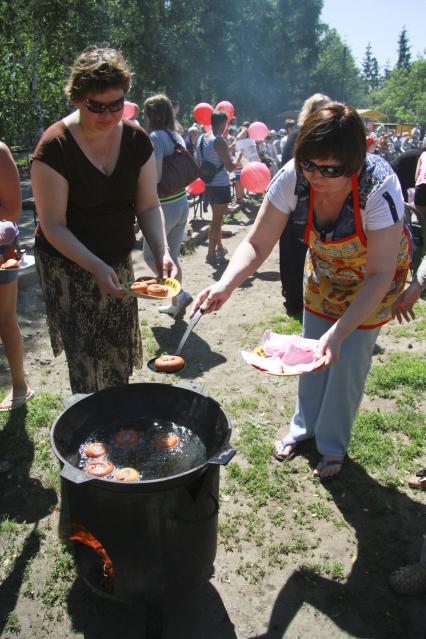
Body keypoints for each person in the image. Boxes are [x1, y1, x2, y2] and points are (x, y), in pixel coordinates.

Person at [190, 102, 410, 479]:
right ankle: (303, 427)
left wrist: (339, 333)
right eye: (310, 164)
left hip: (371, 282)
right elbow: (257, 243)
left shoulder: (379, 188)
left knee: (345, 362)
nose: (317, 176)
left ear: (354, 163)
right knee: (308, 356)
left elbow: (379, 273)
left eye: (331, 170)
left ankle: (332, 445)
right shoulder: (294, 176)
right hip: (324, 274)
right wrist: (226, 283)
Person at [31, 46, 175, 394]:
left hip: (116, 257)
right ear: (78, 98)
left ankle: (117, 418)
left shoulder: (138, 140)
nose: (109, 115)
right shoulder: (55, 147)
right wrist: (95, 265)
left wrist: (162, 250)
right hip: (69, 264)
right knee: (87, 357)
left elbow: (148, 205)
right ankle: (91, 431)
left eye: (117, 104)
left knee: (117, 348)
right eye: (98, 106)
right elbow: (53, 226)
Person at [278, 94, 331, 318]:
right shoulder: (301, 137)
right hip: (298, 205)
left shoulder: (305, 136)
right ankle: (294, 300)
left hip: (307, 205)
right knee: (294, 252)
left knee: (298, 253)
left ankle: (296, 298)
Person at [142, 93, 193, 319]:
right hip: (182, 201)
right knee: (172, 256)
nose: (143, 117)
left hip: (165, 206)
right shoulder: (176, 135)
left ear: (153, 115)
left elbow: (156, 176)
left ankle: (179, 294)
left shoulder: (155, 136)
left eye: (146, 113)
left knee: (150, 256)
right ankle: (176, 303)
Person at [0, 143, 33, 411]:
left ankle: (20, 385)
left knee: (4, 318)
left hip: (1, 249)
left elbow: (12, 210)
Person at [196, 110, 241, 266]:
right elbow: (229, 167)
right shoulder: (219, 140)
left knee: (216, 220)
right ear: (223, 124)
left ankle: (220, 248)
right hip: (220, 184)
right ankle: (210, 255)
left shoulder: (202, 138)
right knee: (216, 221)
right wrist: (239, 158)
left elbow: (204, 159)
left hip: (208, 184)